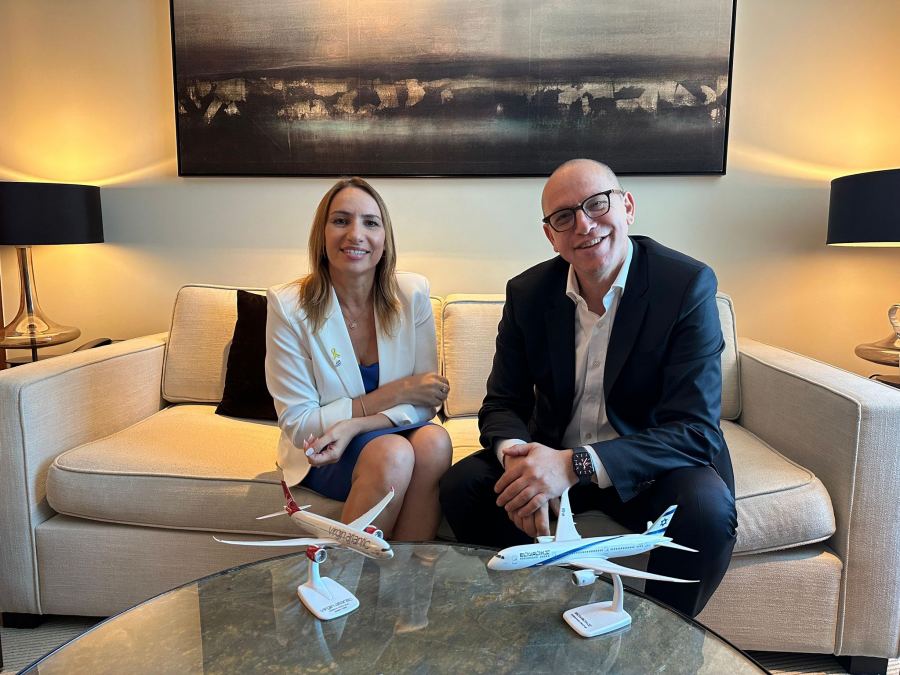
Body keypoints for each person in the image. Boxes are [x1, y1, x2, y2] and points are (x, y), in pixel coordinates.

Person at [439, 159, 737, 617]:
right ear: (551, 235)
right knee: (463, 486)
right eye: (564, 216)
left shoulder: (685, 285)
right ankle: (538, 614)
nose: (583, 224)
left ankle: (658, 637)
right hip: (554, 452)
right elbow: (502, 403)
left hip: (650, 466)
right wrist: (521, 465)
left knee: (706, 510)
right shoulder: (528, 293)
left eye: (597, 204)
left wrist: (573, 464)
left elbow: (695, 430)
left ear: (627, 207)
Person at [266, 177, 452, 540]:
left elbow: (427, 400)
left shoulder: (411, 294)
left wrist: (357, 423)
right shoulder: (288, 307)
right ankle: (343, 574)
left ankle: (405, 574)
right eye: (341, 221)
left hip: (378, 429)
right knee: (393, 452)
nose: (356, 234)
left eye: (370, 222)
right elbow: (300, 424)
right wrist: (399, 391)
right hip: (325, 449)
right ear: (321, 235)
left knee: (435, 443)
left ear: (385, 239)